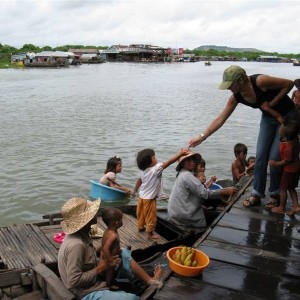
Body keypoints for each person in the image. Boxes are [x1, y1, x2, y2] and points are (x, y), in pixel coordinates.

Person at [189, 65, 299, 209]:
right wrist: (202, 136)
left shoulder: (260, 81)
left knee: (274, 157)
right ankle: (257, 193)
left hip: (287, 118)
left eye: (230, 85)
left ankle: (274, 194)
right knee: (260, 157)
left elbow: (289, 84)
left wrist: (272, 103)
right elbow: (221, 118)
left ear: (241, 80)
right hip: (268, 118)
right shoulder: (236, 96)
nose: (228, 88)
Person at [57, 197, 162, 300]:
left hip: (94, 277)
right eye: (93, 213)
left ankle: (149, 280)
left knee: (123, 252)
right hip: (84, 292)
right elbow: (73, 281)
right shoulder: (77, 245)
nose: (96, 214)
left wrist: (103, 249)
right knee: (132, 298)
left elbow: (88, 256)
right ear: (87, 220)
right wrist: (100, 268)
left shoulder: (83, 234)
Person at [168, 152, 237, 230]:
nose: (192, 162)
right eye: (188, 160)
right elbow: (205, 193)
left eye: (193, 160)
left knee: (214, 200)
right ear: (182, 163)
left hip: (176, 213)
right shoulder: (187, 176)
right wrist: (224, 191)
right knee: (220, 217)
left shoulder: (182, 174)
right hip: (184, 215)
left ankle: (225, 205)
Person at [133, 148, 189, 239]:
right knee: (151, 216)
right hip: (149, 198)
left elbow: (139, 181)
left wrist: (135, 190)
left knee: (141, 213)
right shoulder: (156, 169)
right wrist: (180, 155)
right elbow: (169, 162)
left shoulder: (143, 171)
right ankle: (150, 233)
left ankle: (140, 227)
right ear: (149, 161)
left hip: (141, 196)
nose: (156, 159)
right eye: (154, 157)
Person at [269, 119, 300, 215]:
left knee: (283, 189)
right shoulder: (294, 140)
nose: (280, 128)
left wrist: (276, 164)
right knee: (291, 187)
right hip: (296, 168)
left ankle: (281, 207)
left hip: (289, 170)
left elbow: (287, 160)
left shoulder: (288, 146)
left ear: (285, 134)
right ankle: (296, 206)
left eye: (281, 127)